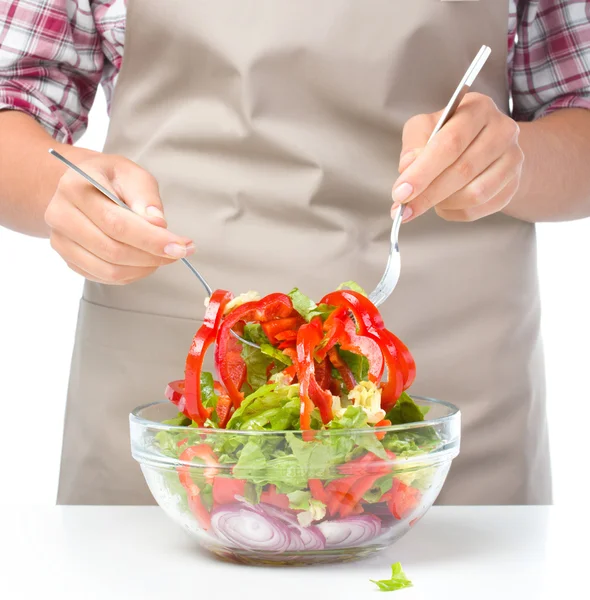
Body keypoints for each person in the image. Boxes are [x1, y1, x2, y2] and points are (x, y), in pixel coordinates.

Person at [1, 0, 589, 505]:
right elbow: (14, 101)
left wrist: (513, 161)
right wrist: (62, 192)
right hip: (170, 421)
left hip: (448, 405)